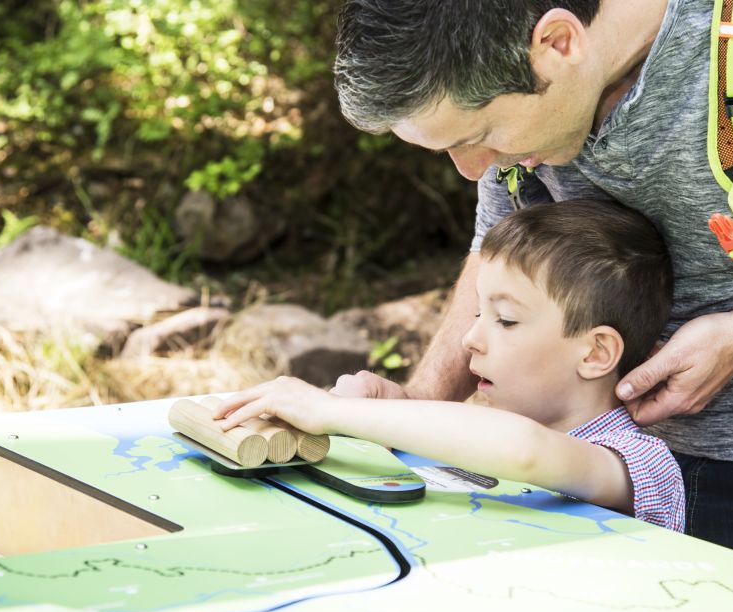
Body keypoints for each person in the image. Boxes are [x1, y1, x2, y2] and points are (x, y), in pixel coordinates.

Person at [330, 0, 733, 588]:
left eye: (479, 135)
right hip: (596, 470)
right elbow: (494, 249)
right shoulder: (517, 105)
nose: (472, 169)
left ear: (558, 43)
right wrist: (420, 404)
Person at [216, 200, 685, 531]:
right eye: (478, 313)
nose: (470, 338)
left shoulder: (637, 462)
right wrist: (386, 415)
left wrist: (333, 412)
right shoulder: (480, 431)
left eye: (505, 319)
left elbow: (525, 451)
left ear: (595, 353)